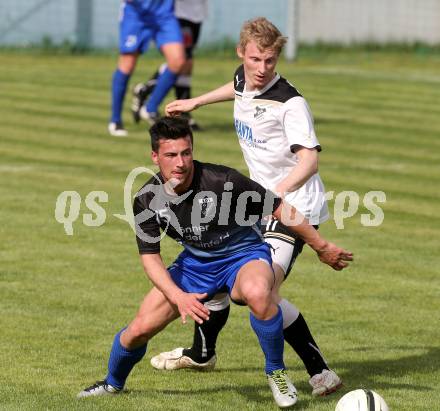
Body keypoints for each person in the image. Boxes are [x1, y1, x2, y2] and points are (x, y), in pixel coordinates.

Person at [77, 117, 352, 408]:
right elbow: (151, 259)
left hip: (243, 255)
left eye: (186, 152)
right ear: (155, 156)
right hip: (196, 264)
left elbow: (279, 207)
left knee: (259, 293)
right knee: (138, 330)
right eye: (171, 155)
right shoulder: (147, 199)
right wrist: (178, 296)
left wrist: (321, 246)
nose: (181, 162)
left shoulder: (223, 181)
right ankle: (111, 384)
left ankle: (276, 372)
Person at [158, 17, 343, 397]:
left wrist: (273, 195)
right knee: (219, 263)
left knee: (254, 293)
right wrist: (196, 101)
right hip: (257, 204)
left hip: (292, 207)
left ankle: (321, 372)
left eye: (270, 62)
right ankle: (202, 353)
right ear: (242, 53)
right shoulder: (245, 79)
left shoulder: (290, 104)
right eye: (256, 59)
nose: (262, 70)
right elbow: (239, 88)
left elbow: (309, 161)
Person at [108, 0, 185, 137]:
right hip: (136, 14)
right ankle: (115, 120)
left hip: (164, 14)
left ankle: (149, 108)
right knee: (127, 65)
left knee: (178, 61)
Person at [131, 0, 208, 130]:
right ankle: (181, 113)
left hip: (197, 13)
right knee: (181, 60)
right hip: (180, 13)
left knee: (187, 63)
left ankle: (144, 90)